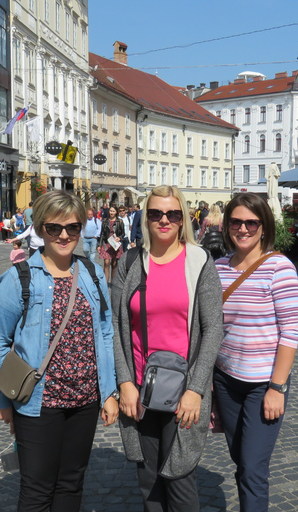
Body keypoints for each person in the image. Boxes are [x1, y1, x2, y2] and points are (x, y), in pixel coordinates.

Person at [0, 190, 119, 512]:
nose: (63, 235)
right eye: (53, 228)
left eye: (72, 228)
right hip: (38, 402)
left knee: (71, 484)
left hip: (85, 401)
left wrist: (109, 391)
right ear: (40, 229)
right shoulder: (20, 278)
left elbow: (104, 331)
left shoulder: (91, 273)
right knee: (37, 490)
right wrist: (2, 400)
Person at [112, 185, 224, 512]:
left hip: (184, 392)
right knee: (148, 482)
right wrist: (124, 384)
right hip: (140, 390)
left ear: (184, 219)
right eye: (156, 213)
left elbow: (213, 328)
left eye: (173, 214)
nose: (164, 220)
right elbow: (116, 329)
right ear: (145, 218)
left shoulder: (199, 261)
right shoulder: (131, 262)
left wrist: (197, 390)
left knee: (179, 478)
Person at [213, 192, 298, 512]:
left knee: (253, 468)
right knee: (241, 459)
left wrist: (277, 388)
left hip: (263, 383)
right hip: (225, 380)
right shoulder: (219, 268)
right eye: (236, 222)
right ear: (226, 226)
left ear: (264, 227)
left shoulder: (279, 267)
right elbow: (210, 326)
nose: (243, 228)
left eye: (252, 222)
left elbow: (291, 332)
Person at [99, 204, 125, 283]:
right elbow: (102, 234)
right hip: (106, 243)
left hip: (115, 244)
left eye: (113, 211)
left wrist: (119, 238)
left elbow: (123, 233)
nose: (111, 212)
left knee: (114, 264)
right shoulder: (105, 221)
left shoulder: (119, 221)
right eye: (110, 211)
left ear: (116, 212)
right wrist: (99, 245)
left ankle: (113, 282)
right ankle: (105, 283)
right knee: (106, 263)